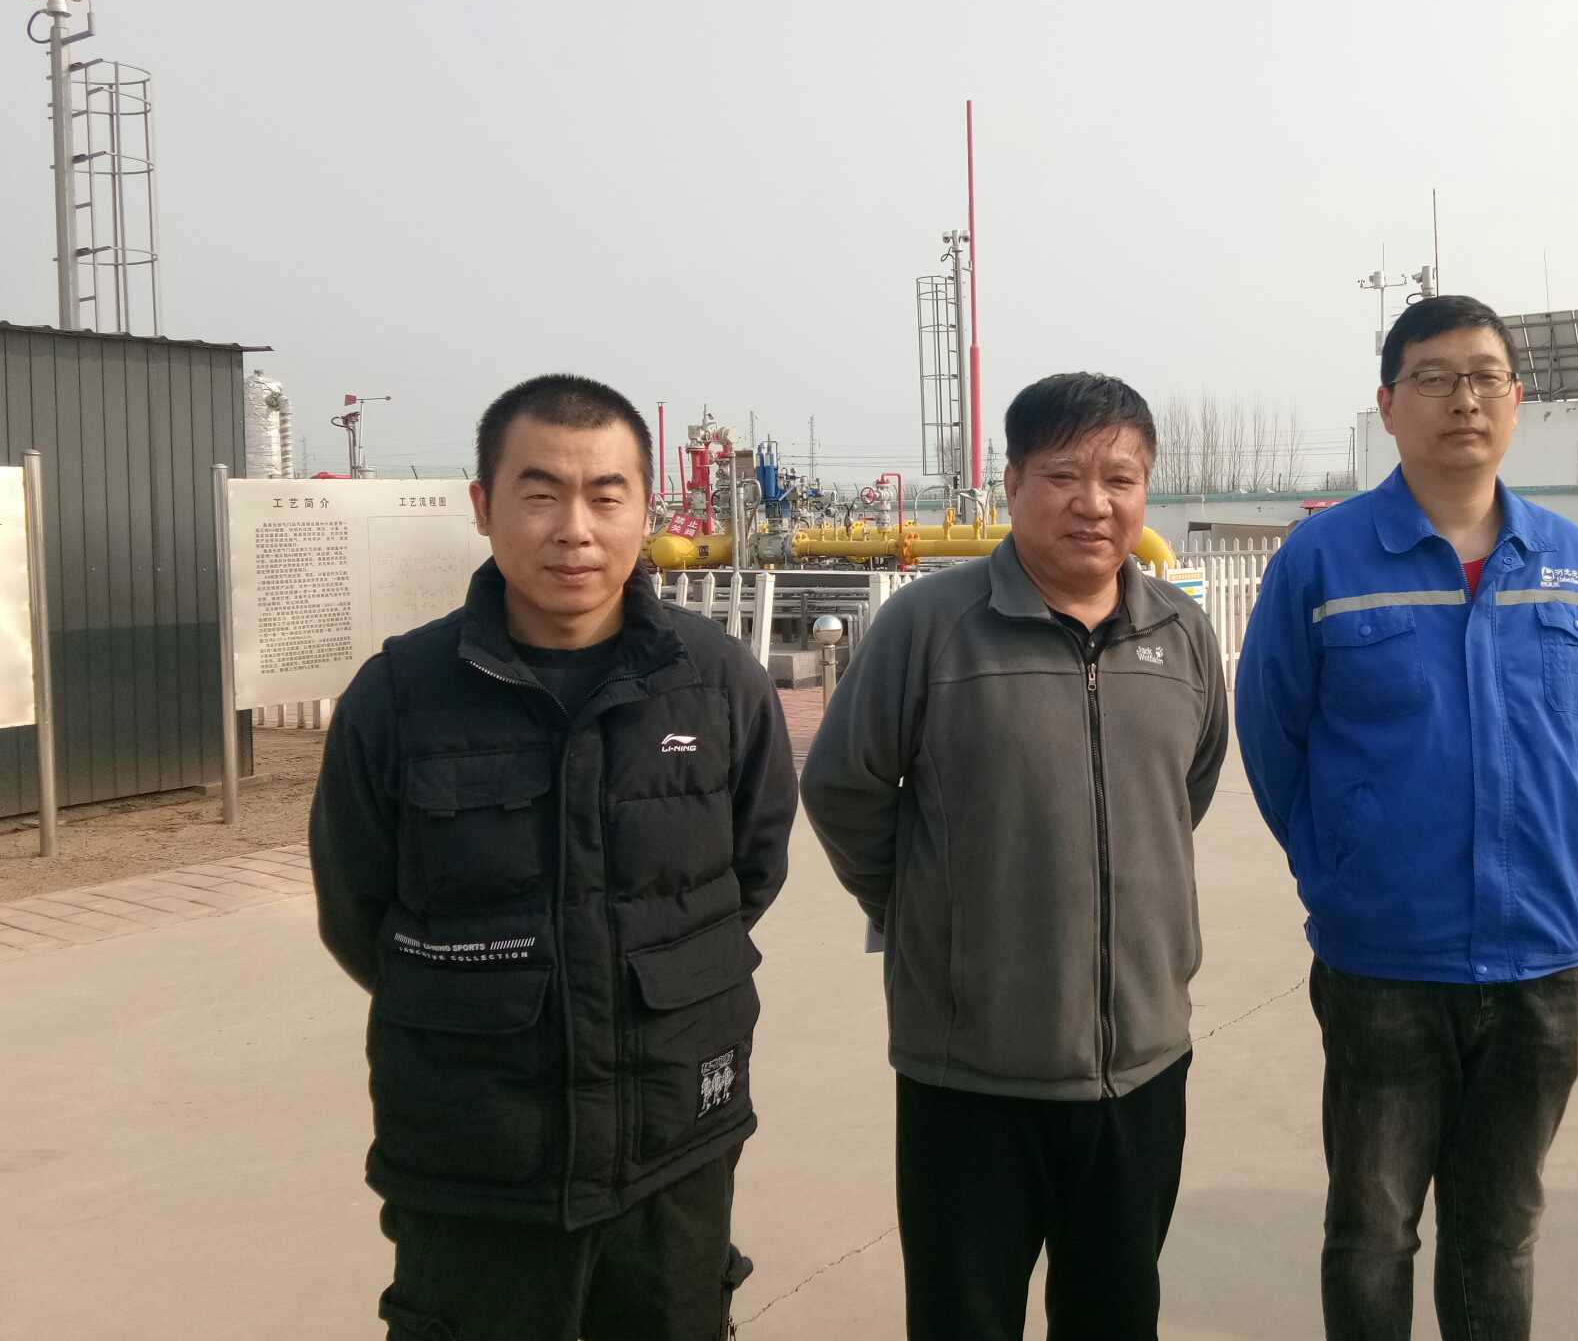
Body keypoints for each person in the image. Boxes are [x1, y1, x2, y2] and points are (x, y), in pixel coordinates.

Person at [309, 373, 796, 1341]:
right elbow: (356, 911)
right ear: (483, 506)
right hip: (476, 1163)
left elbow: (752, 870)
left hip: (671, 1144)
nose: (575, 529)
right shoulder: (399, 697)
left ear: (646, 509)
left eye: (606, 496)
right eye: (540, 494)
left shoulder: (718, 685)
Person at [800, 372, 1229, 1341]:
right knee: (963, 1320)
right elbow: (843, 790)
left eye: (1120, 479)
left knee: (1116, 1315)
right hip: (970, 1076)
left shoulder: (1181, 634)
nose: (1094, 503)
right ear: (1012, 483)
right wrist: (927, 907)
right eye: (1064, 475)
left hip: (1142, 1068)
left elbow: (1185, 792)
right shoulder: (930, 626)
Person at [1235, 296, 1578, 1341]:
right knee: (1372, 1231)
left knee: (1500, 1232)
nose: (1464, 400)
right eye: (1435, 378)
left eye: (1485, 378)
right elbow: (1273, 737)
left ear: (1516, 401)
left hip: (1540, 959)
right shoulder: (1322, 561)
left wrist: (1558, 857)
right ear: (1388, 405)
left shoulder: (1572, 562)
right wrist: (1341, 866)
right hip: (1384, 963)